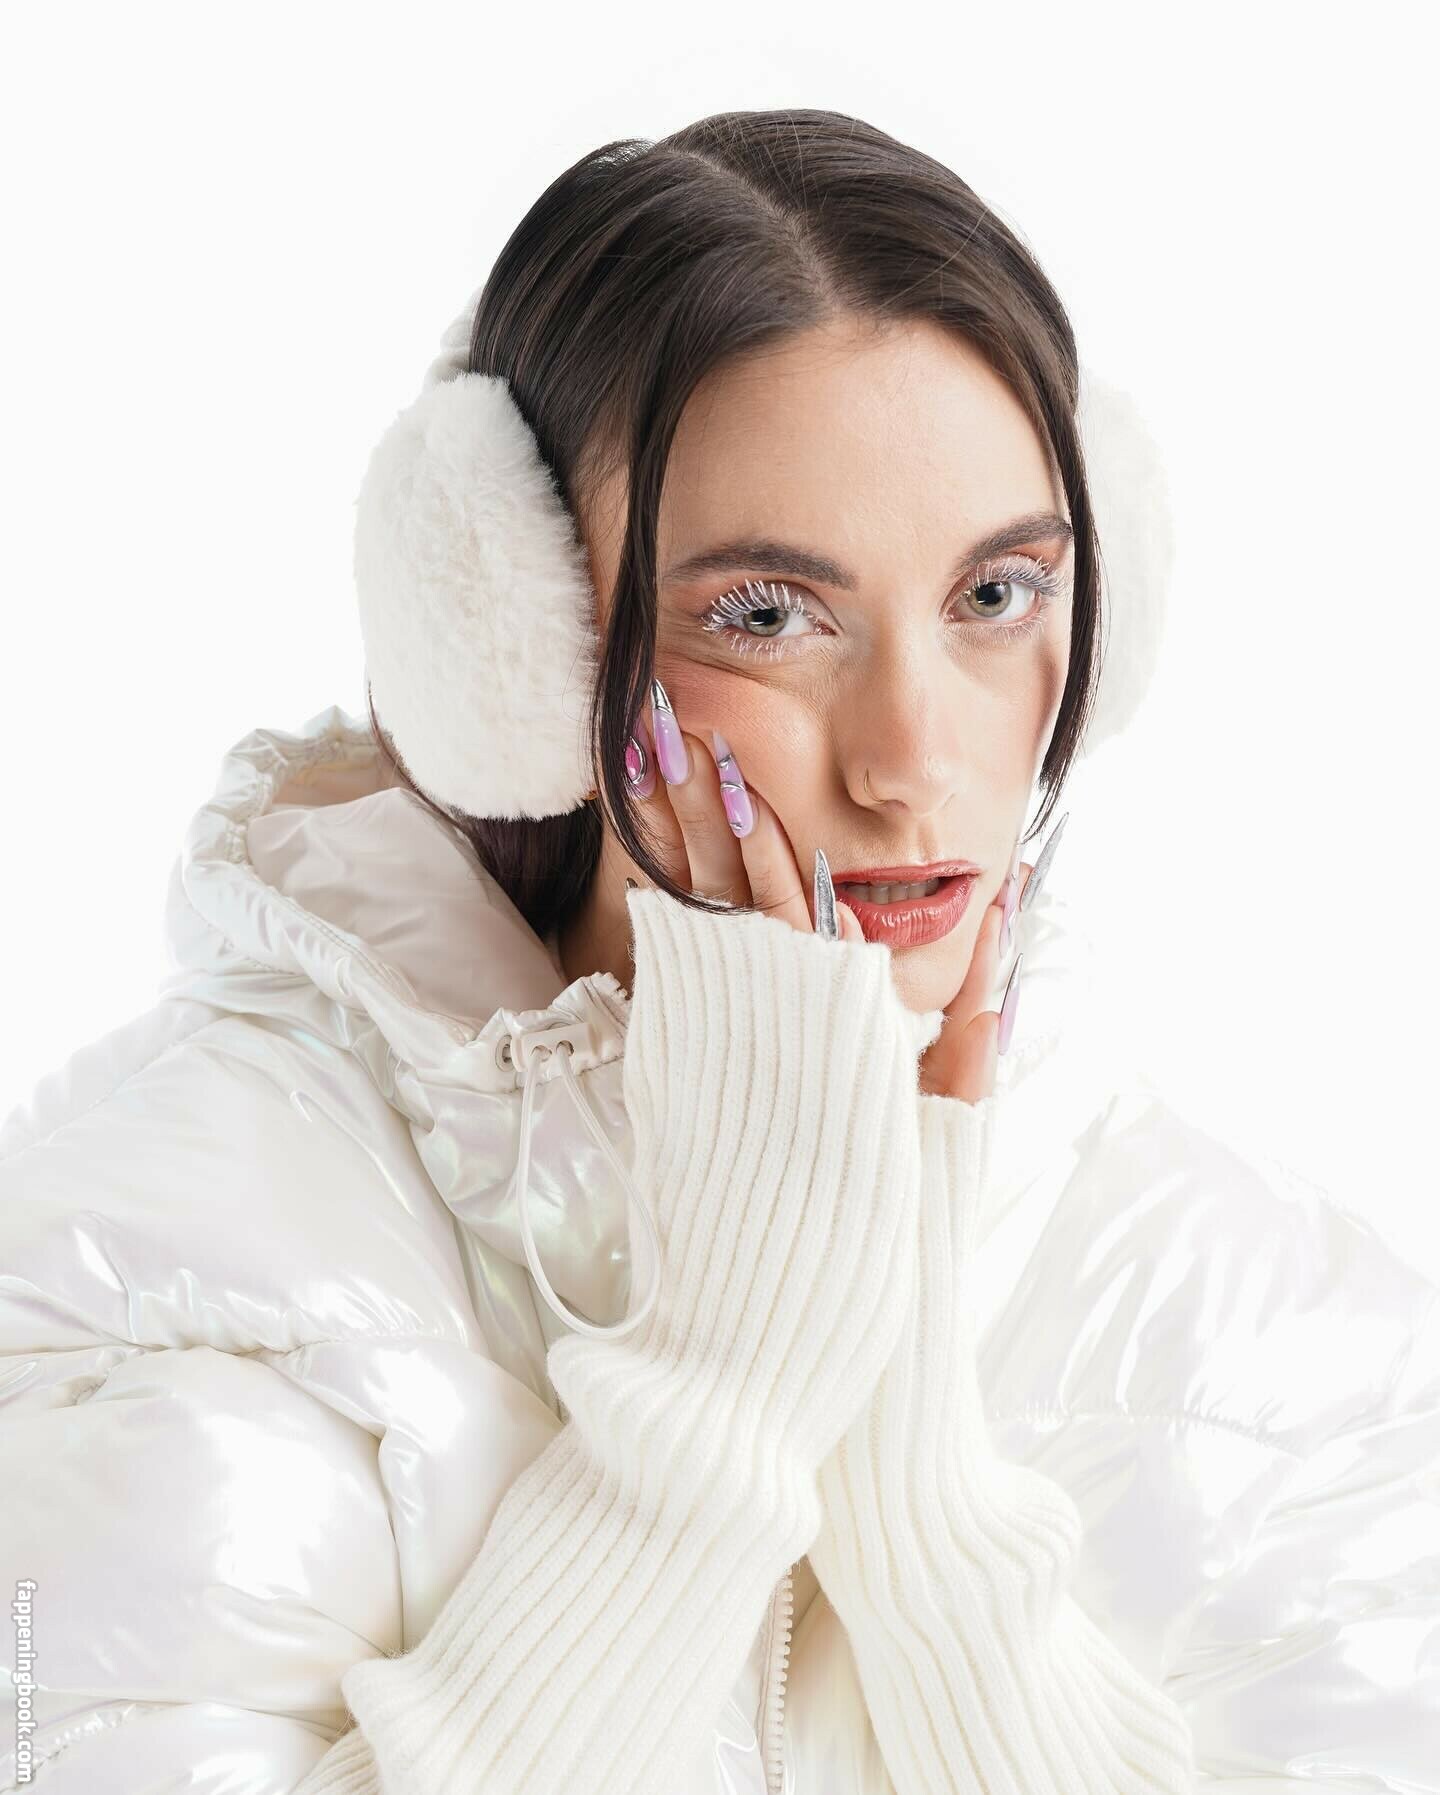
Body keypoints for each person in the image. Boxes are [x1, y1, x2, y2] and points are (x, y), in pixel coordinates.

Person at [1, 108, 1436, 1795]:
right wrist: (715, 1405)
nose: (911, 760)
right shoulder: (148, 1280)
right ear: (515, 649)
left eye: (995, 596)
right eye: (767, 615)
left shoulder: (1289, 1334)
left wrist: (927, 1526)